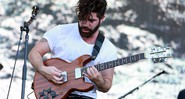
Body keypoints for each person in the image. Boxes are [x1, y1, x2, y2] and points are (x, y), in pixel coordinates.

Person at [28, 0, 117, 98]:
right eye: (82, 18)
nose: (85, 24)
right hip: (55, 94)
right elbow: (34, 53)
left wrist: (99, 80)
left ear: (102, 18)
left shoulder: (108, 48)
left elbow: (106, 86)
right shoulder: (61, 31)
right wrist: (43, 69)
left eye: (91, 20)